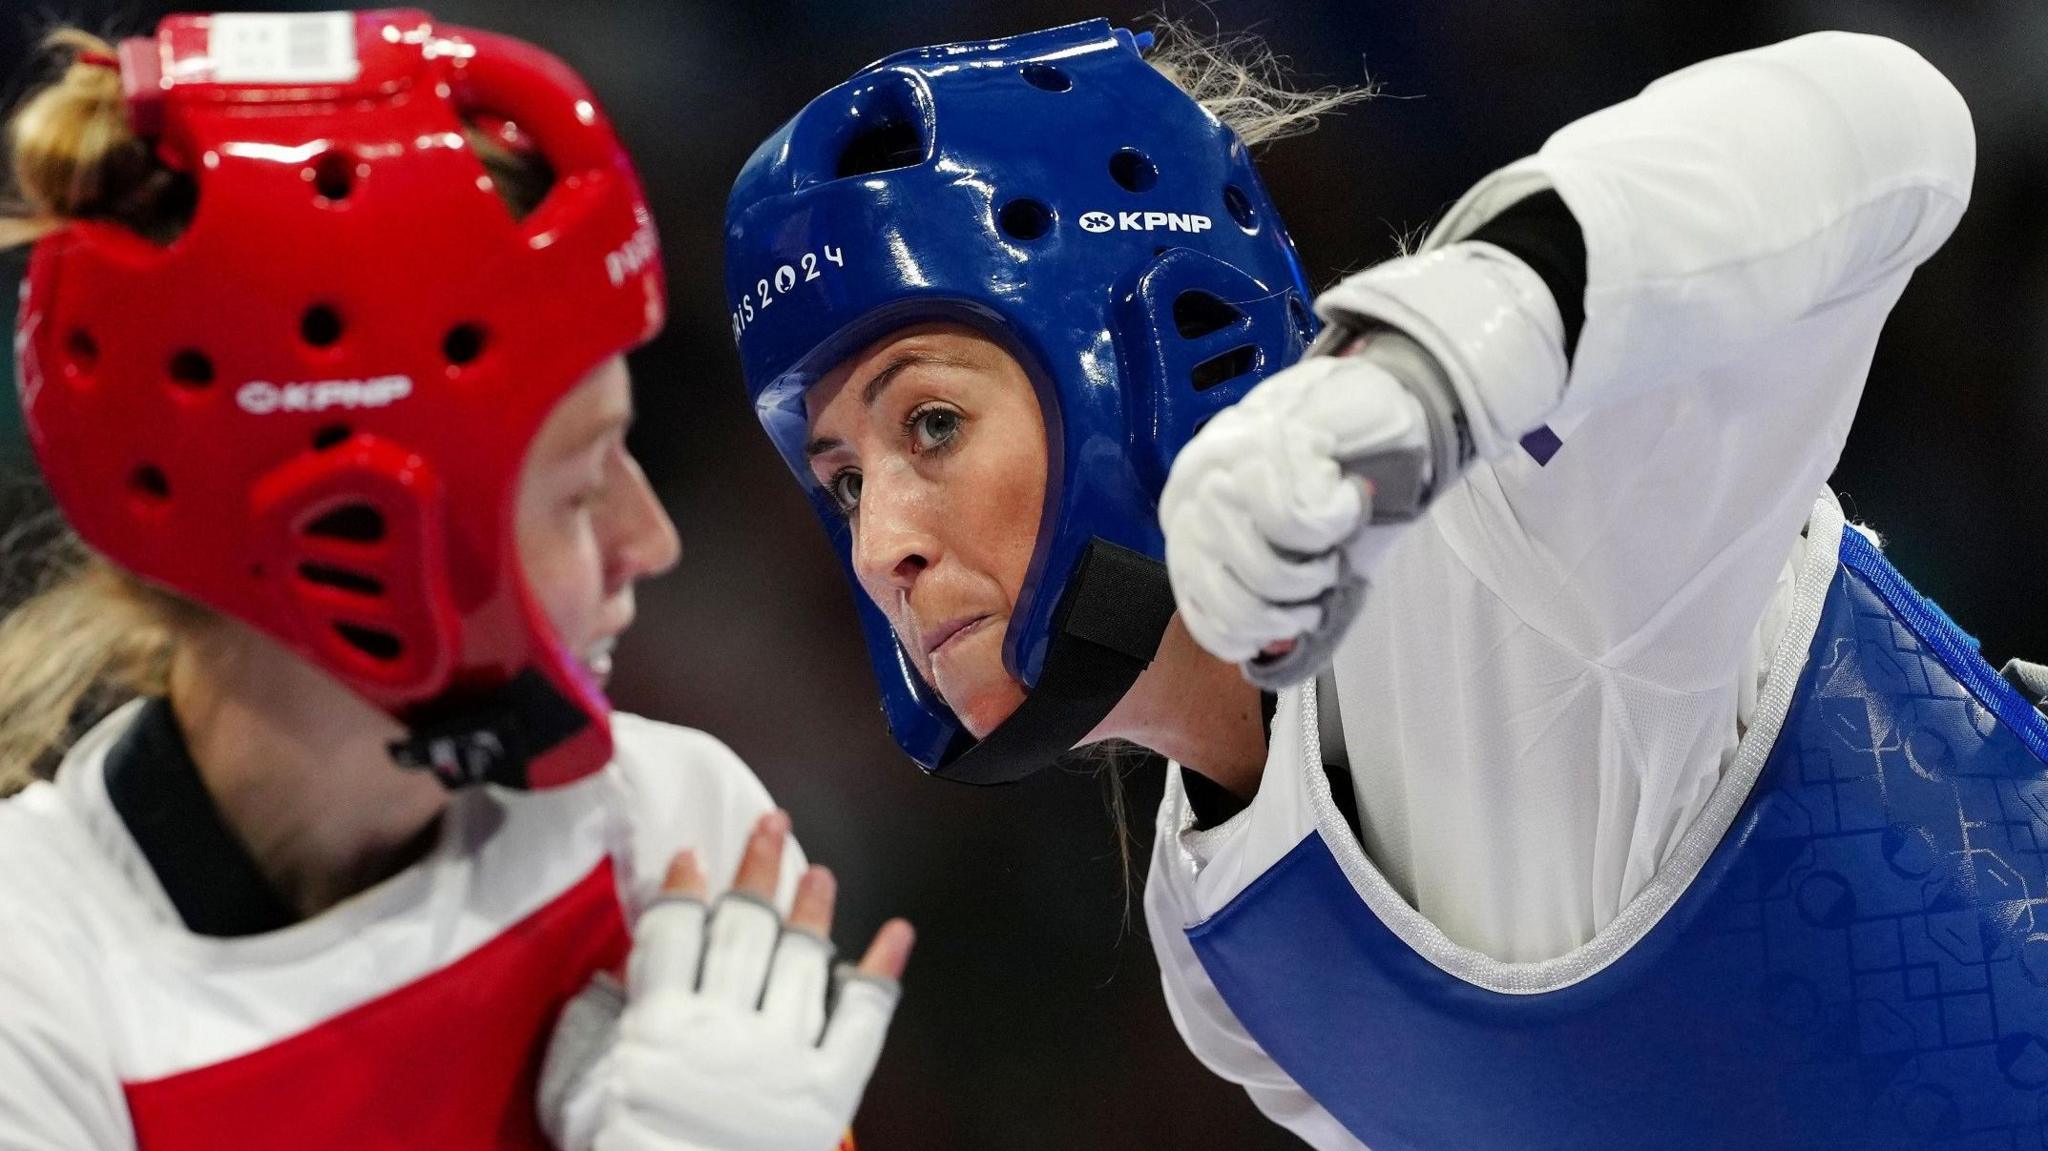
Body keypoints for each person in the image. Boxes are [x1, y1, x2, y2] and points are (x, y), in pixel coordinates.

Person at [725, 18, 2038, 1149]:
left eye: (932, 424)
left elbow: (1897, 123)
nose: (876, 541)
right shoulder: (1226, 952)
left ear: (1133, 359)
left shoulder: (1508, 536)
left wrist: (1446, 353)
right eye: (842, 479)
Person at [0, 12, 907, 1150]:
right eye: (582, 488)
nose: (651, 537)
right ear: (358, 545)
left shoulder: (662, 826)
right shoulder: (31, 989)